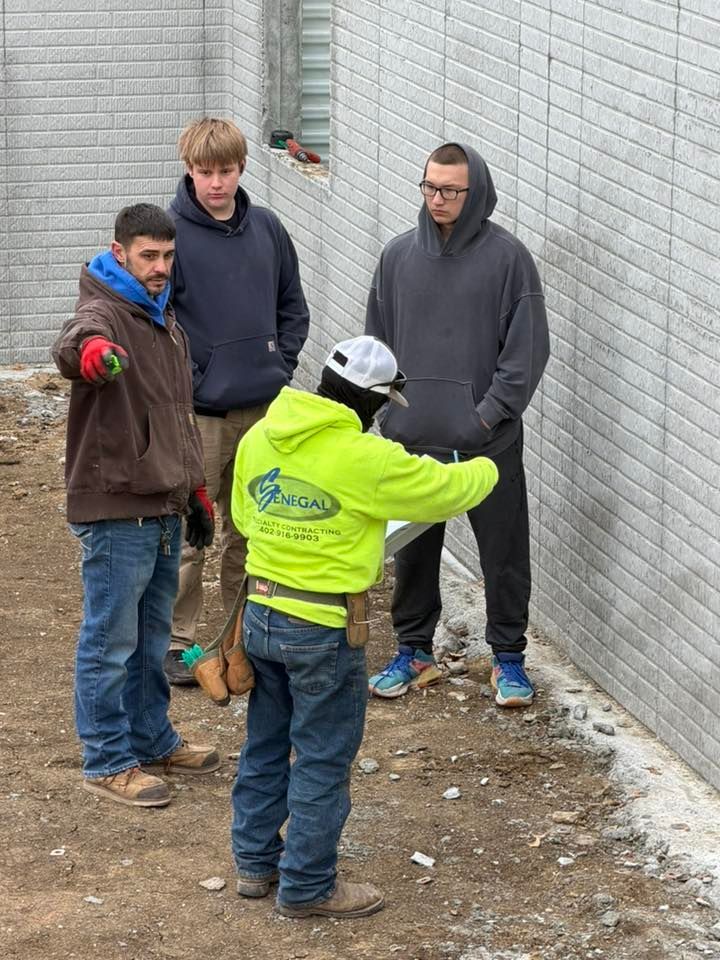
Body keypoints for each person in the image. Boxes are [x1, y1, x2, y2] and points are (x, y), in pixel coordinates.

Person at [229, 335, 499, 918]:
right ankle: (307, 886)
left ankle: (254, 863)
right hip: (322, 627)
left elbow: (246, 519)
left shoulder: (261, 436)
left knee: (266, 743)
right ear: (372, 400)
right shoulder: (365, 458)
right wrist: (487, 461)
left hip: (261, 615)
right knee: (323, 757)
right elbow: (447, 490)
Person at [365, 142, 550, 708]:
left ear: (477, 193)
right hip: (413, 439)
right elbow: (377, 346)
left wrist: (485, 416)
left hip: (487, 442)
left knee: (503, 552)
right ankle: (413, 651)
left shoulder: (508, 260)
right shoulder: (398, 257)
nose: (437, 199)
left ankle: (508, 659)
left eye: (450, 190)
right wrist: (387, 414)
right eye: (430, 187)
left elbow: (526, 353)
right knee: (413, 555)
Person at [52, 204, 220, 808]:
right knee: (110, 641)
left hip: (162, 504)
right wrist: (92, 355)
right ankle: (105, 759)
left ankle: (151, 738)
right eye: (149, 255)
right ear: (119, 252)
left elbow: (177, 416)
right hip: (118, 507)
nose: (160, 266)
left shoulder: (161, 317)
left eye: (168, 255)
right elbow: (75, 342)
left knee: (151, 639)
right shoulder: (105, 311)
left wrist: (193, 490)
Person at [165, 117, 310, 685]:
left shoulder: (268, 229)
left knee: (251, 531)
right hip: (200, 416)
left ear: (242, 168)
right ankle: (176, 643)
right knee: (190, 531)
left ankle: (245, 638)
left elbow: (292, 305)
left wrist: (280, 364)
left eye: (225, 170)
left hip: (265, 412)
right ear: (189, 171)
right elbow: (160, 321)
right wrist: (194, 380)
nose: (216, 183)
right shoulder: (171, 235)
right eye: (205, 172)